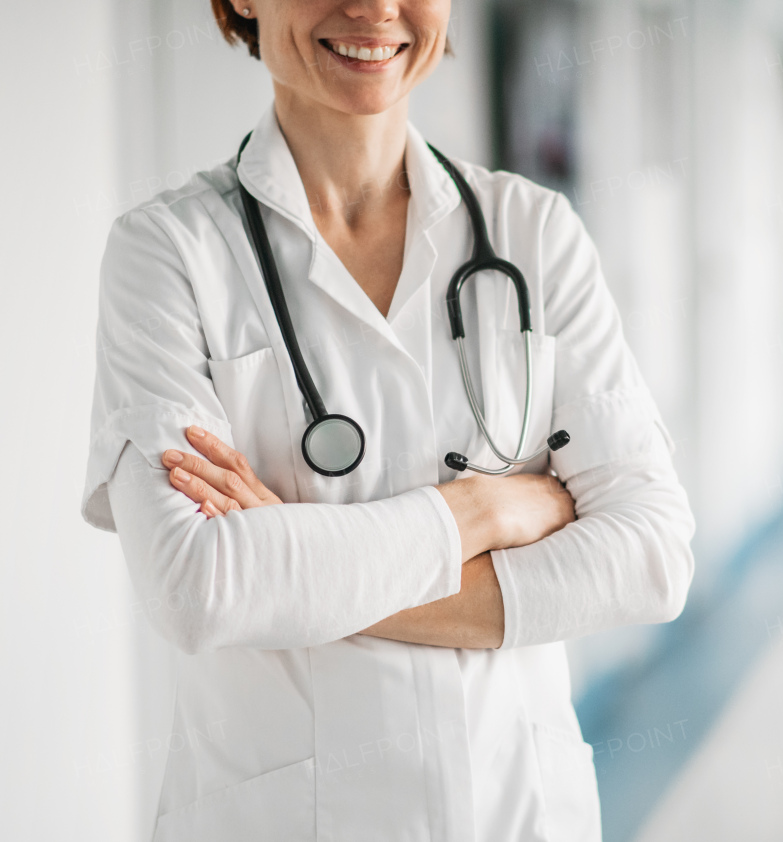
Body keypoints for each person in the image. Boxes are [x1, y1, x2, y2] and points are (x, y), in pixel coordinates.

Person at [80, 0, 695, 839]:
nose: (374, 8)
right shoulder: (167, 255)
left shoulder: (533, 235)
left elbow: (650, 558)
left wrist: (298, 569)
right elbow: (200, 586)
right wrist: (483, 510)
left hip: (514, 812)